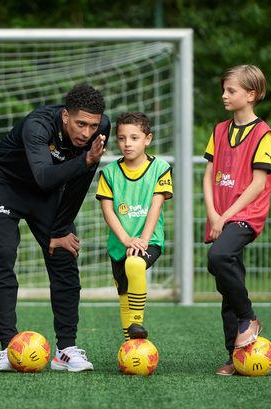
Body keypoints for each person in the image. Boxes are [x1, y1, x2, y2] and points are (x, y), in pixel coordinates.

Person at [0, 83, 110, 372]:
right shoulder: (37, 125)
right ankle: (8, 347)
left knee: (65, 256)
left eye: (92, 126)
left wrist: (61, 228)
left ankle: (65, 350)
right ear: (65, 116)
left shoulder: (100, 126)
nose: (86, 132)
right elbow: (42, 175)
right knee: (3, 256)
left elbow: (79, 182)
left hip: (47, 194)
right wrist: (86, 160)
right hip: (4, 185)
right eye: (80, 124)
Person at [203, 65, 271, 376]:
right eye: (224, 89)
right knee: (225, 277)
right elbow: (208, 176)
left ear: (251, 94)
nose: (224, 95)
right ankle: (235, 356)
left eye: (231, 90)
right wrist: (213, 214)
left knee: (219, 256)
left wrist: (227, 216)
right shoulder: (220, 130)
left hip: (246, 214)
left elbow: (258, 184)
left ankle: (249, 317)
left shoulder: (263, 133)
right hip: (220, 215)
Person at [95, 112, 172, 340]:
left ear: (147, 139)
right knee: (124, 293)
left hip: (149, 239)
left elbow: (156, 207)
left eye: (134, 138)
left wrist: (143, 241)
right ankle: (131, 346)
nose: (127, 143)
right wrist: (127, 240)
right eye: (121, 138)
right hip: (119, 243)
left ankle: (137, 324)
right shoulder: (109, 173)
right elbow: (108, 211)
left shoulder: (160, 167)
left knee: (136, 263)